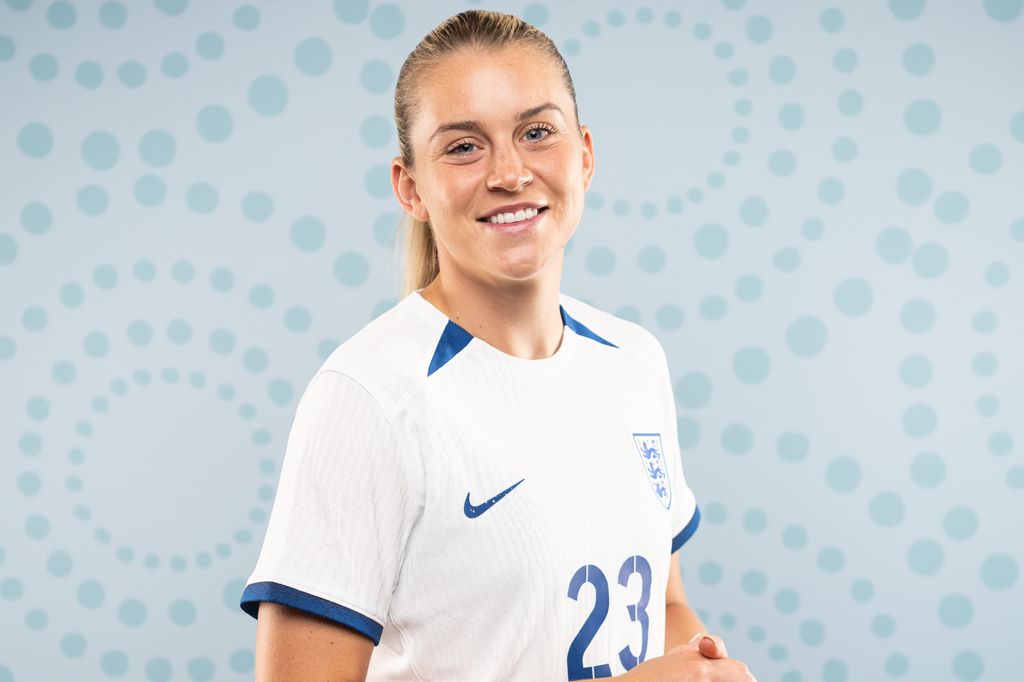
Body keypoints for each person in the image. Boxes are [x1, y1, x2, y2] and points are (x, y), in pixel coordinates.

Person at [239, 9, 755, 681]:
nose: (509, 172)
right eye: (463, 146)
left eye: (537, 132)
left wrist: (706, 669)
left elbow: (666, 600)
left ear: (587, 155)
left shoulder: (634, 360)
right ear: (411, 187)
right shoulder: (370, 396)